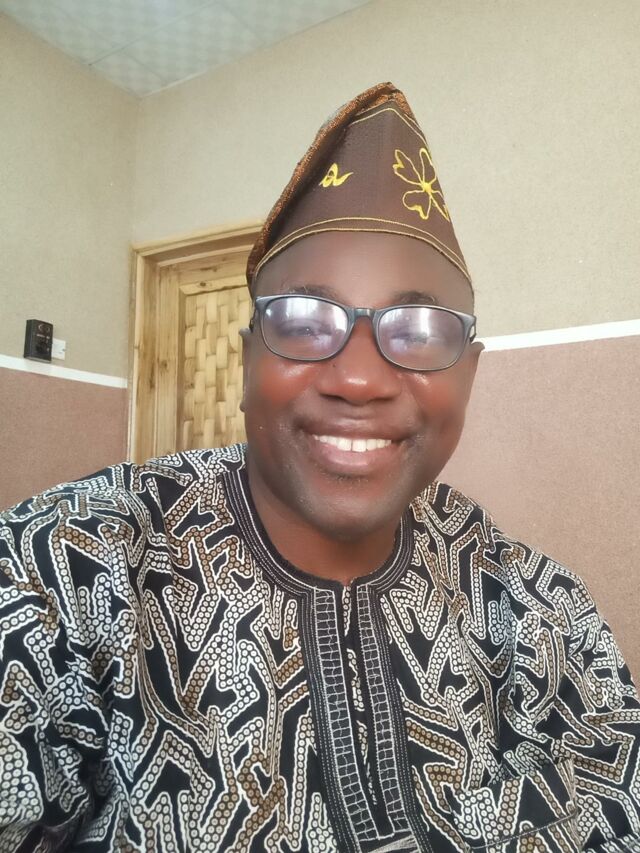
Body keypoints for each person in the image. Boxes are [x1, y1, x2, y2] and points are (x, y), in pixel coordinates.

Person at [1, 82, 639, 853]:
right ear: (246, 363)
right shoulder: (68, 569)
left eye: (419, 327)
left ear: (469, 374)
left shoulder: (535, 605)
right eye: (303, 320)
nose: (359, 378)